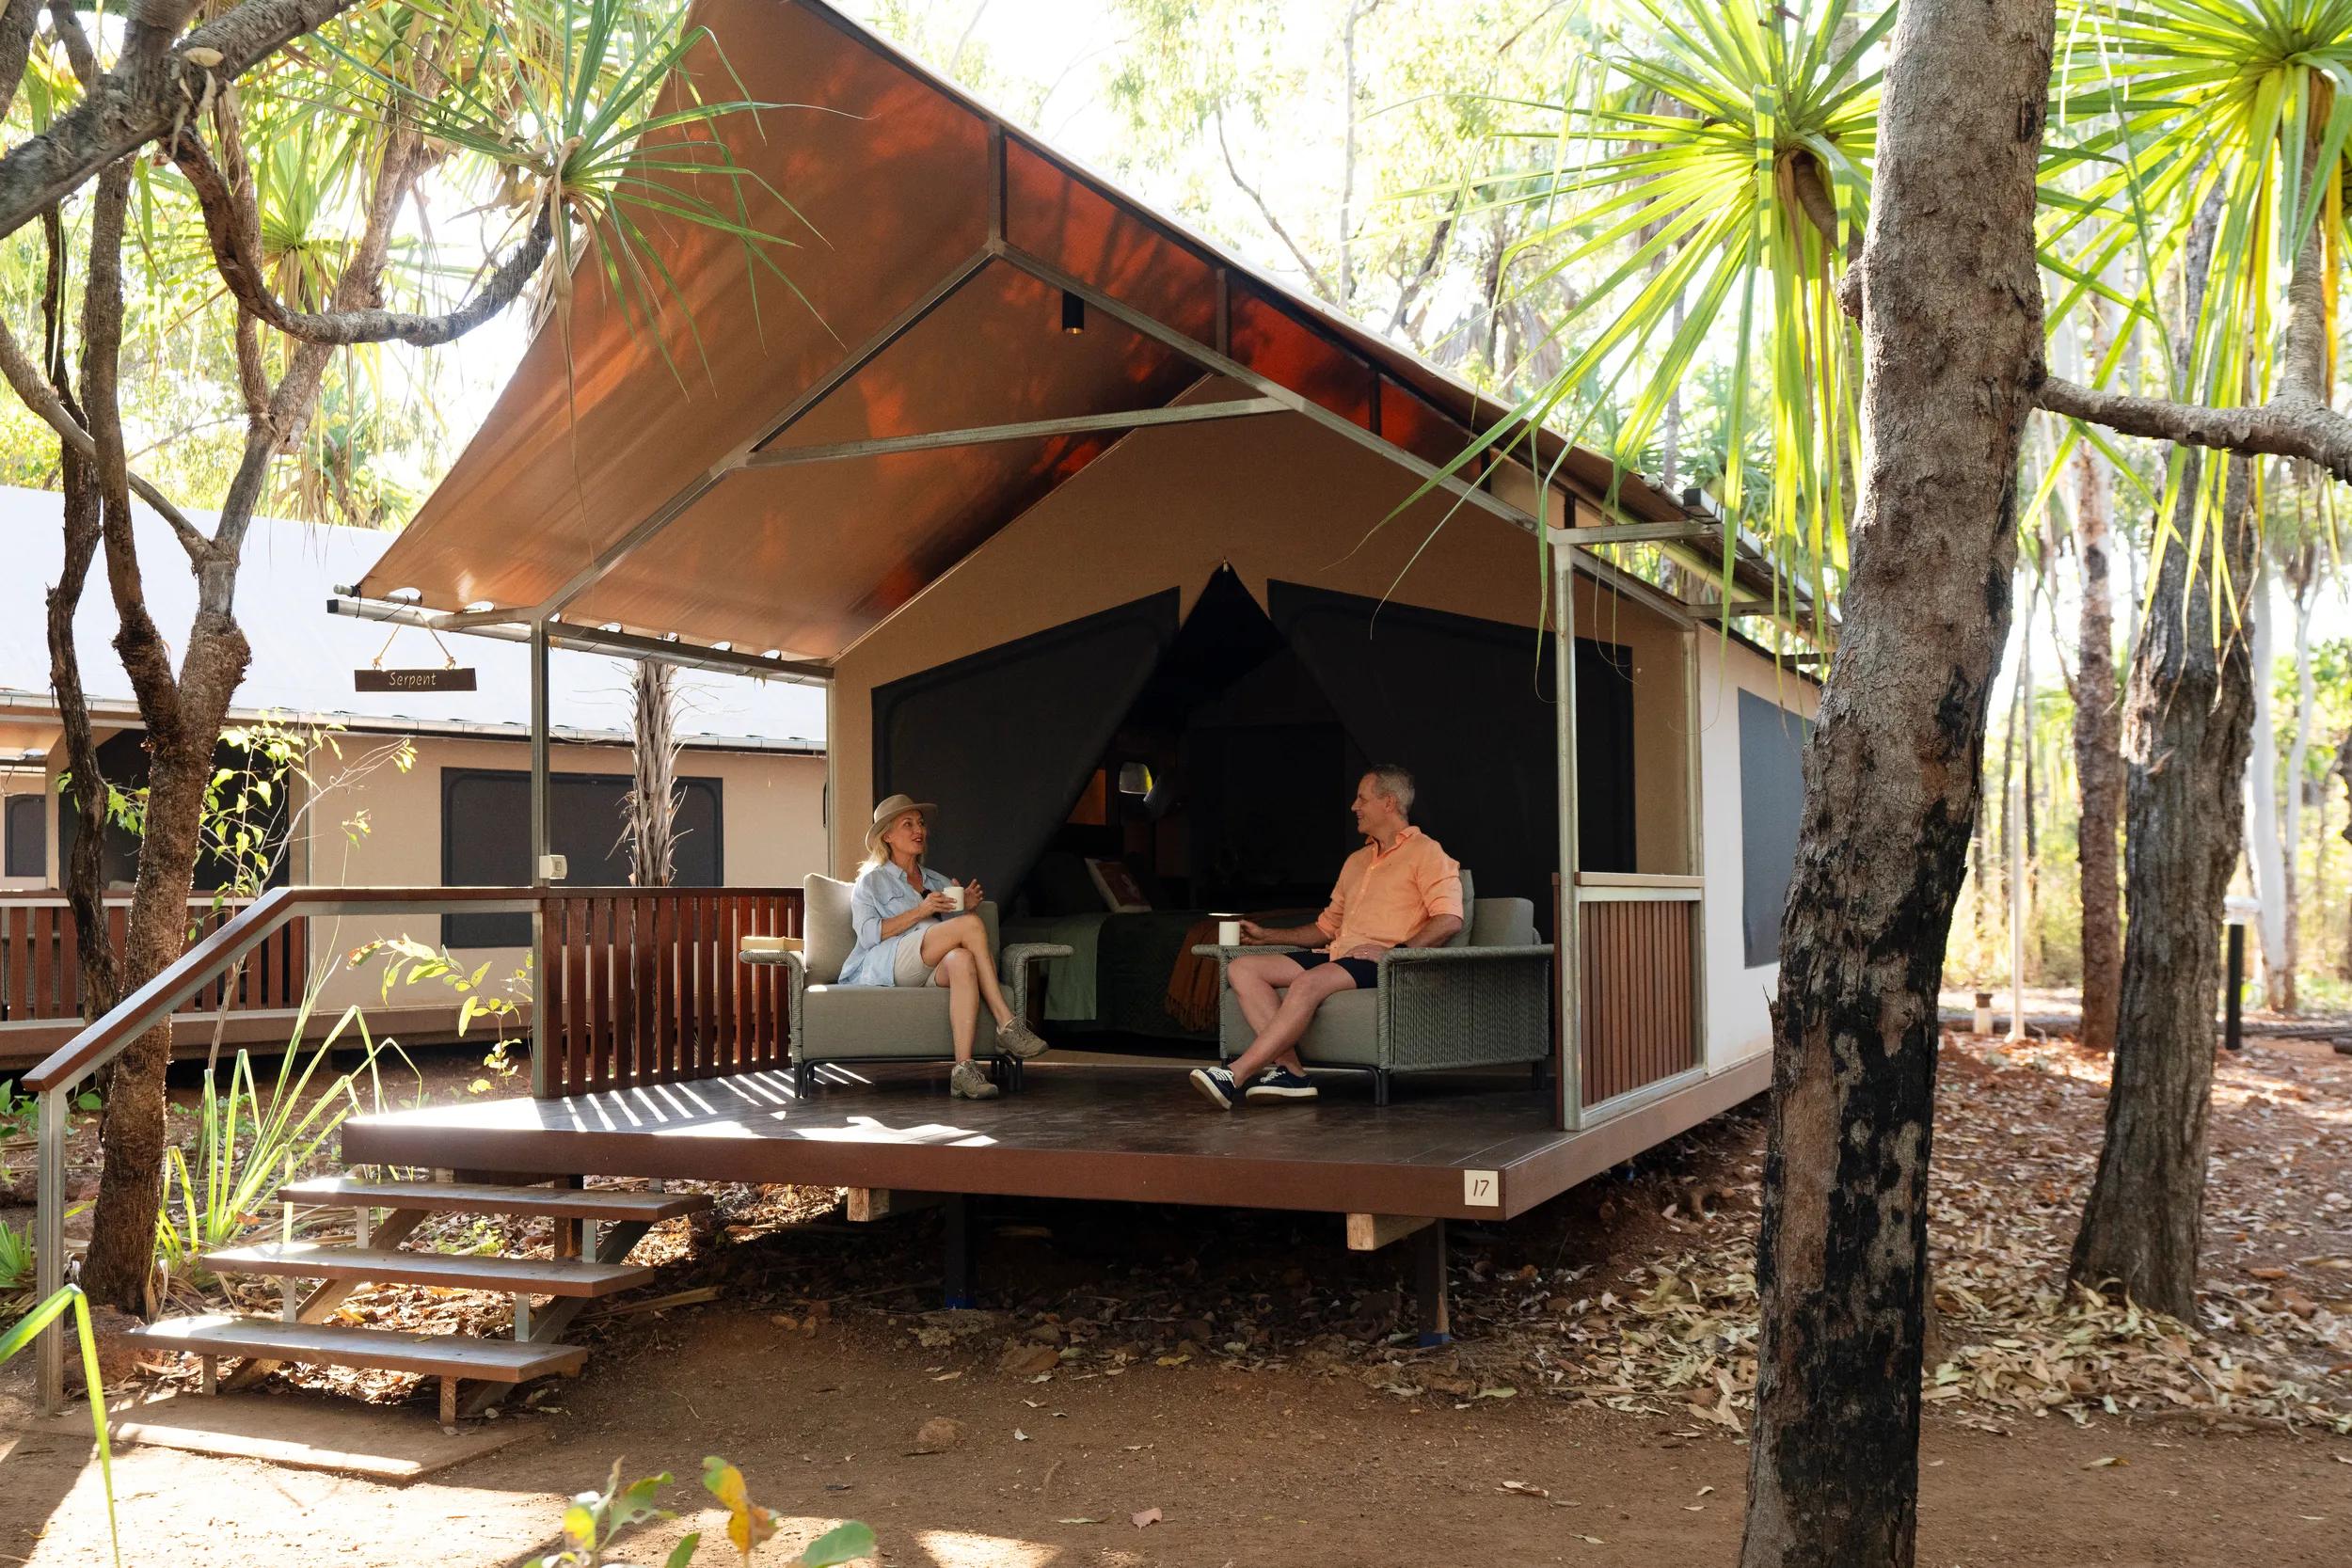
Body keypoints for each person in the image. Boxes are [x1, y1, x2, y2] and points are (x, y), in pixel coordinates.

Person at [1189, 766, 1462, 1109]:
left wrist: (1395, 952)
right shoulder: (1357, 861)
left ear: (1388, 803)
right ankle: (1292, 1074)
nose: (1354, 806)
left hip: (1386, 962)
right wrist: (1266, 935)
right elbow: (1325, 928)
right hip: (1339, 955)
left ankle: (1235, 1075)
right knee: (1242, 969)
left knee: (1308, 982)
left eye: (1362, 798)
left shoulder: (1427, 852)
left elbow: (1449, 919)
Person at [844, 793, 1047, 1100]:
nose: (919, 830)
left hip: (929, 963)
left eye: (921, 823)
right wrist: (922, 911)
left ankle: (963, 1069)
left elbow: (954, 932)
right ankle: (1007, 1024)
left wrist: (966, 907)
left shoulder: (937, 880)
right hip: (891, 961)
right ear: (887, 836)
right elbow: (869, 935)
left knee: (962, 959)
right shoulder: (871, 881)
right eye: (908, 824)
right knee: (968, 927)